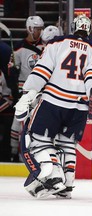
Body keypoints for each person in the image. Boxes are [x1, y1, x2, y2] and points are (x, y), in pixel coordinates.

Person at [13, 14, 92, 199]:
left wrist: (28, 93)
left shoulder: (57, 43)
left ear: (73, 27)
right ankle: (68, 184)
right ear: (89, 30)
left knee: (38, 139)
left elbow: (42, 71)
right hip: (79, 107)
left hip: (53, 101)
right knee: (67, 143)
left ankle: (54, 176)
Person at [9, 15, 45, 161]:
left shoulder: (46, 46)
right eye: (37, 29)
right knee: (18, 121)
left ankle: (36, 154)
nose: (40, 32)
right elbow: (10, 71)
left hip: (41, 90)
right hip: (24, 90)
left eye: (41, 29)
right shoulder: (18, 48)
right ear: (30, 29)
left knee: (37, 122)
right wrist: (13, 71)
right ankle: (13, 153)